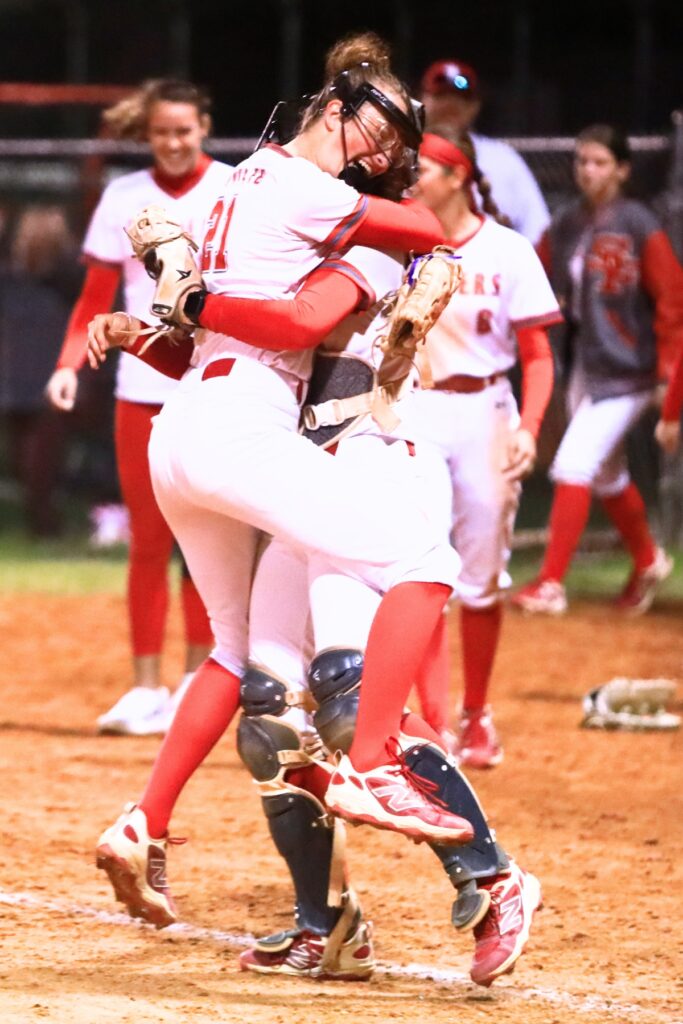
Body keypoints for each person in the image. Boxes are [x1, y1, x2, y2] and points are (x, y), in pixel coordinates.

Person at [90, 32, 500, 944]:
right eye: (385, 142)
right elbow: (312, 308)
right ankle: (404, 827)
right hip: (256, 435)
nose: (390, 163)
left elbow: (236, 321)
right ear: (334, 112)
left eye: (404, 156)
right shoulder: (327, 204)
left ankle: (152, 827)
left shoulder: (239, 185)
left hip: (203, 431)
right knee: (415, 574)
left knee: (252, 675)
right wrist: (177, 308)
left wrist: (169, 308)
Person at [45, 79, 225, 734]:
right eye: (160, 132)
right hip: (141, 390)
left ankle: (199, 681)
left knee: (204, 541)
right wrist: (68, 365)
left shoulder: (232, 190)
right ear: (145, 135)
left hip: (211, 385)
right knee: (148, 541)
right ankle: (148, 688)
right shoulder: (123, 196)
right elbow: (95, 296)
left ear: (204, 125)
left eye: (183, 129)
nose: (173, 142)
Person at [396, 126, 559, 767]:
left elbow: (538, 354)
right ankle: (436, 724)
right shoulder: (403, 243)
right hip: (418, 410)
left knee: (481, 576)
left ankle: (476, 713)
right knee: (428, 567)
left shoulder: (508, 250)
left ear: (459, 175)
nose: (412, 180)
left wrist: (530, 427)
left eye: (425, 170)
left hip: (487, 411)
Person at [511, 124, 683, 617]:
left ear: (623, 170)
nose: (589, 170)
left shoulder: (638, 222)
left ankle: (549, 584)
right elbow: (533, 267)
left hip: (633, 369)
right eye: (583, 161)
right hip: (588, 363)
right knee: (607, 476)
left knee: (573, 465)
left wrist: (669, 374)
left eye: (600, 162)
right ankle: (649, 559)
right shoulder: (568, 223)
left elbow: (672, 299)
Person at [0, 205, 82, 536]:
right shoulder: (67, 280)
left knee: (27, 452)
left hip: (16, 374)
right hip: (47, 374)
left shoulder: (13, 278)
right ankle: (44, 522)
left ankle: (41, 519)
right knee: (43, 453)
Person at [419, 59, 549, 246]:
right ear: (422, 100)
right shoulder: (402, 155)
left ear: (475, 106)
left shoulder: (504, 159)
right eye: (441, 96)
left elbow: (536, 230)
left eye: (460, 98)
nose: (450, 104)